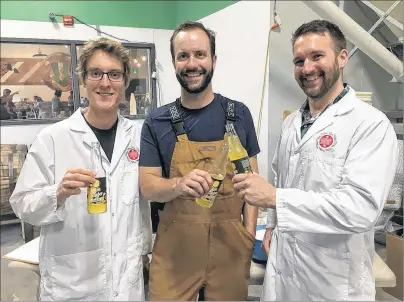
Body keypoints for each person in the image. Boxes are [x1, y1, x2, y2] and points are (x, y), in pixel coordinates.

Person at [232, 20, 398, 301]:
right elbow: (281, 176)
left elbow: (360, 208)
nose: (307, 68)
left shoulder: (370, 125)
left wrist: (276, 199)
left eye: (317, 56)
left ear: (342, 57)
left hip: (332, 281)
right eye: (299, 60)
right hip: (284, 270)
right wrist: (272, 223)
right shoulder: (292, 123)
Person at [10, 37, 152, 301]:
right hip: (72, 283)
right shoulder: (53, 139)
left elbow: (143, 203)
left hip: (127, 281)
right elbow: (22, 204)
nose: (105, 83)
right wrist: (58, 192)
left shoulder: (139, 137)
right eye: (96, 73)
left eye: (114, 74)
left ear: (124, 81)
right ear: (83, 79)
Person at [139, 20, 260, 301]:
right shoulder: (157, 121)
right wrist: (178, 184)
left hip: (230, 246)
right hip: (175, 250)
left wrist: (248, 234)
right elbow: (147, 187)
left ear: (213, 60)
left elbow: (253, 184)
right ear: (174, 62)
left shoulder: (239, 114)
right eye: (183, 56)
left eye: (200, 54)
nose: (192, 63)